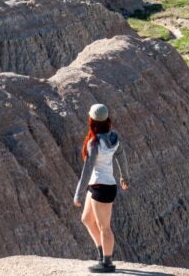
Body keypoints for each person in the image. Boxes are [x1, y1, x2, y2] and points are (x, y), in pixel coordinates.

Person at [73, 103, 130, 273]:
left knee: (104, 226)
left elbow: (87, 170)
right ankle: (102, 255)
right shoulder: (114, 137)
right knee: (86, 219)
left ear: (91, 120)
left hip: (101, 187)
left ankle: (107, 263)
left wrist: (77, 194)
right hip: (100, 185)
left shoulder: (94, 142)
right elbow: (121, 156)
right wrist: (124, 177)